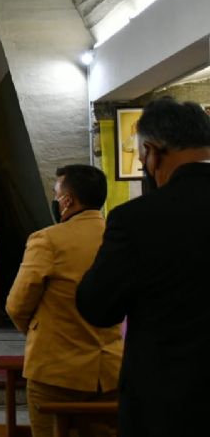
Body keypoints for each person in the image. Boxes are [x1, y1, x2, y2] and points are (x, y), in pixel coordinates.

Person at [77, 98, 210, 437]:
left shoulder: (137, 219)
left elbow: (97, 305)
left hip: (167, 402)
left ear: (152, 152)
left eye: (141, 160)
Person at [6, 164, 122, 437]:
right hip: (110, 369)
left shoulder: (49, 240)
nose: (56, 200)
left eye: (57, 194)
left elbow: (18, 304)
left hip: (56, 367)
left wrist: (38, 332)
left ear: (68, 200)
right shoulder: (119, 237)